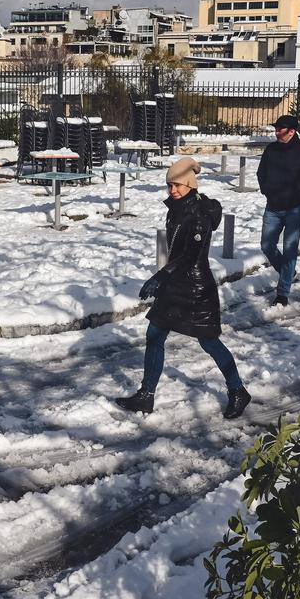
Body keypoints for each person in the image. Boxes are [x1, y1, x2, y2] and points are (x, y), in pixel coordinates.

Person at [114, 157, 251, 419]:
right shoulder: (177, 209)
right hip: (175, 284)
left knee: (209, 342)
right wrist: (165, 277)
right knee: (154, 334)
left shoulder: (199, 216)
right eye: (169, 186)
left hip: (197, 290)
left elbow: (191, 256)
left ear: (190, 184)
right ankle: (146, 396)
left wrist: (159, 277)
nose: (172, 190)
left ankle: (238, 391)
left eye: (177, 185)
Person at [257, 114, 300, 306]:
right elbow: (261, 172)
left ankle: (282, 294)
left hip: (295, 208)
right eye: (276, 129)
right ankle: (288, 271)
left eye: (280, 129)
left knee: (289, 250)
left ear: (292, 131)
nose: (276, 132)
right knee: (266, 246)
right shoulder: (271, 149)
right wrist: (266, 189)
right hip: (273, 206)